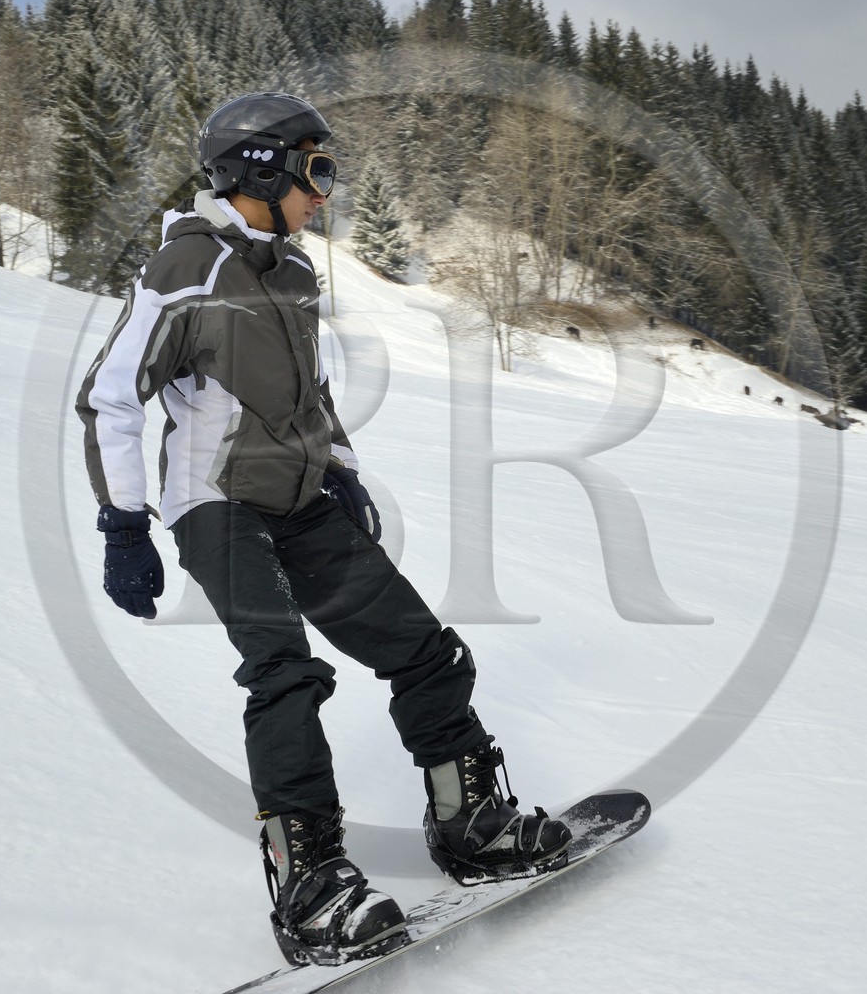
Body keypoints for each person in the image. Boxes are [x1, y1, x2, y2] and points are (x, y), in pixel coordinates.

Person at [75, 92, 571, 965]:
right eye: (317, 170)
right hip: (217, 502)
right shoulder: (185, 268)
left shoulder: (295, 273)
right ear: (260, 168)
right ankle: (311, 885)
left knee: (425, 651)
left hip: (302, 501)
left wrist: (340, 471)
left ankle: (470, 823)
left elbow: (311, 393)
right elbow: (111, 397)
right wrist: (124, 523)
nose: (324, 192)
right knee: (285, 673)